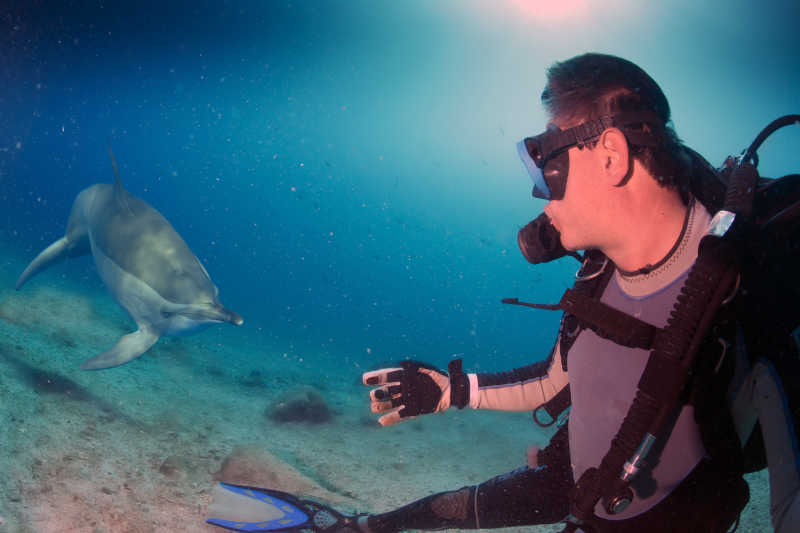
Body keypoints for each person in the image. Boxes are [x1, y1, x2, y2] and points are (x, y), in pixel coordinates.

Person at [205, 53, 800, 533]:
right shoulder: (599, 271)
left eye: (548, 162)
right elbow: (555, 380)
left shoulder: (740, 290)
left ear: (612, 155)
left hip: (666, 518)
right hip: (578, 487)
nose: (541, 191)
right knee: (436, 514)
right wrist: (452, 391)